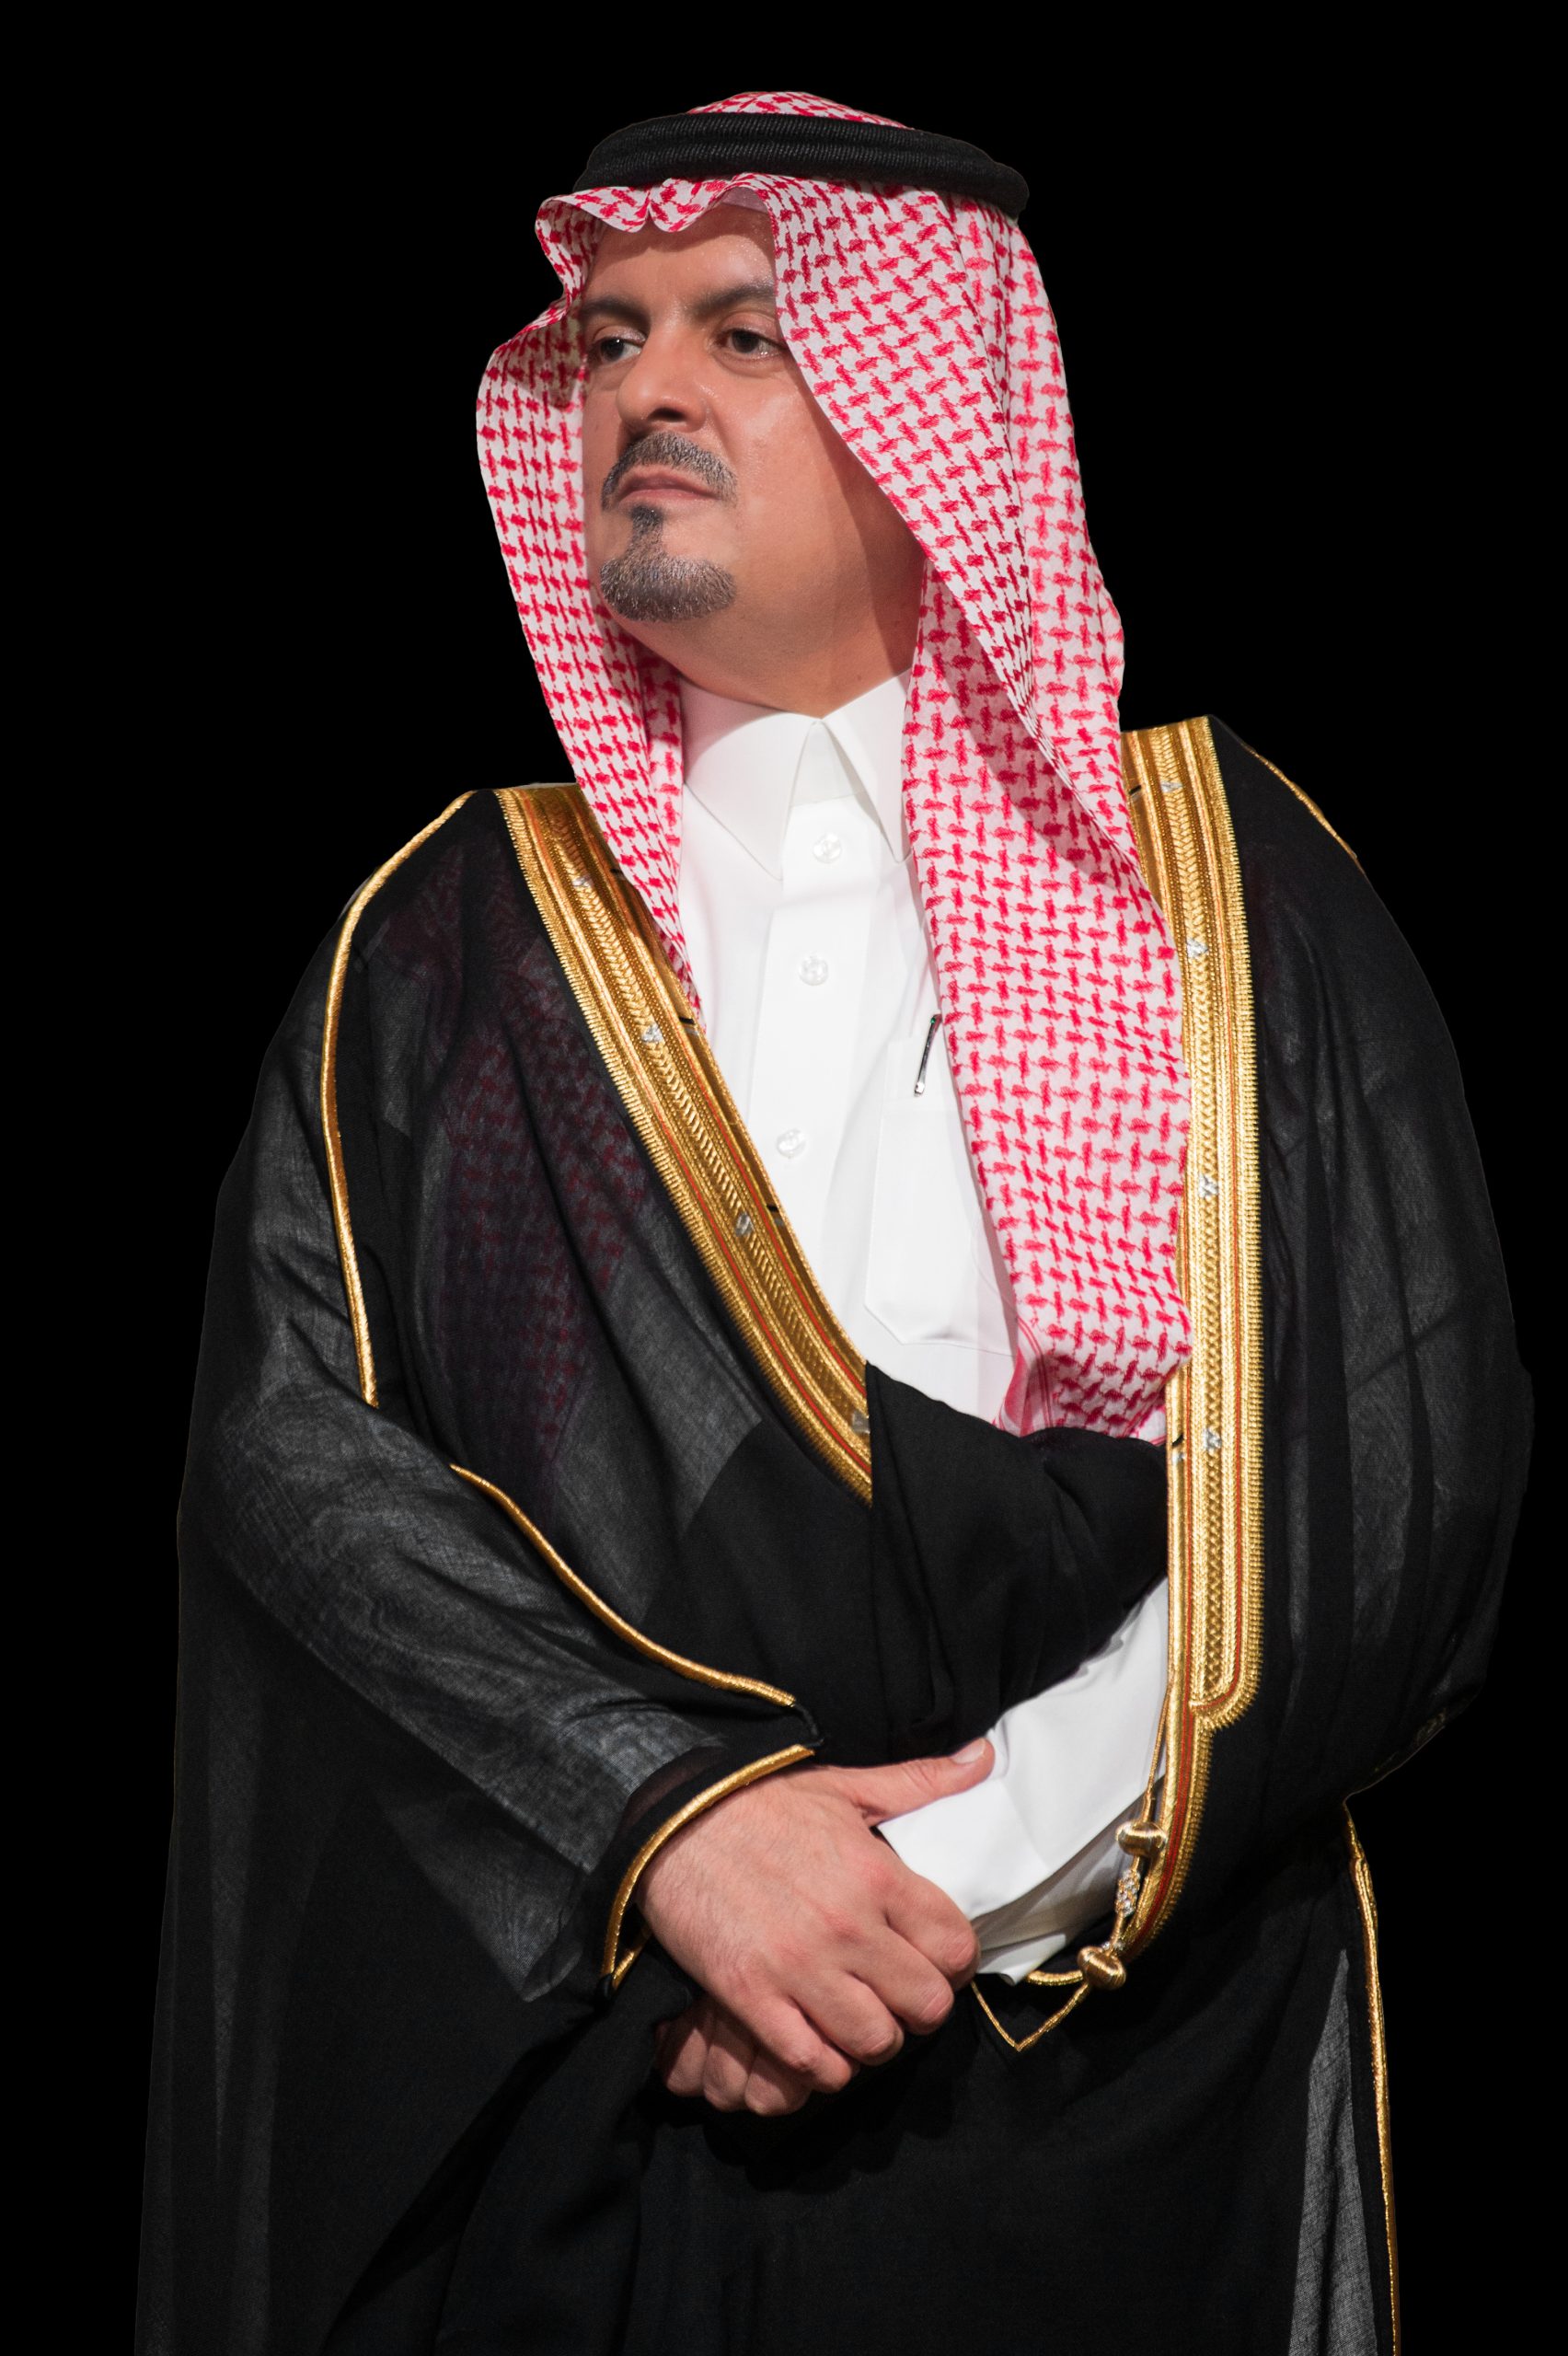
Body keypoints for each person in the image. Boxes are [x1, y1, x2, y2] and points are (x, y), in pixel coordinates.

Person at [138, 93, 1528, 2355]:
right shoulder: (454, 938)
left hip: (1109, 2082)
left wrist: (915, 1891)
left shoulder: (1222, 885)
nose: (648, 390)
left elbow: (1382, 1480)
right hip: (587, 2061)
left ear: (932, 389)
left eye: (746, 332)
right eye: (608, 341)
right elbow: (300, 1469)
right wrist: (672, 1834)